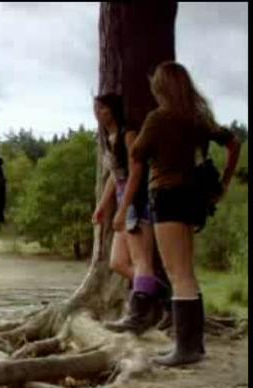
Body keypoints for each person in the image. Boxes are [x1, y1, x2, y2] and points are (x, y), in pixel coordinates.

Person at [118, 61, 242, 367]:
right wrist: (225, 182)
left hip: (167, 196)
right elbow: (233, 143)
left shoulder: (158, 118)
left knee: (178, 273)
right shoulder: (198, 118)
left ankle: (185, 349)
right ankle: (194, 345)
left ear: (161, 87)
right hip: (193, 198)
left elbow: (136, 153)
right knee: (187, 271)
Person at [91, 93, 167, 335]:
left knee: (140, 260)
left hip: (137, 202)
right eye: (96, 108)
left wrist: (123, 209)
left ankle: (137, 316)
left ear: (113, 110)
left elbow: (136, 172)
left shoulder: (129, 134)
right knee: (117, 262)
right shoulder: (108, 138)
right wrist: (102, 205)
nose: (98, 113)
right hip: (124, 201)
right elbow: (115, 175)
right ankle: (163, 294)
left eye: (102, 108)